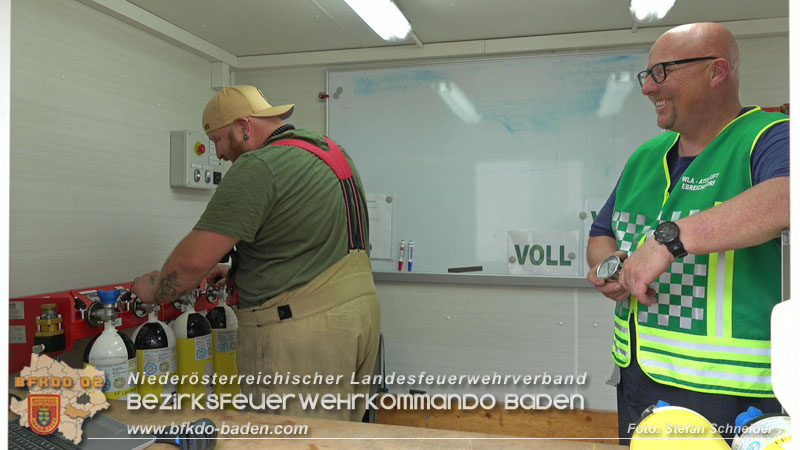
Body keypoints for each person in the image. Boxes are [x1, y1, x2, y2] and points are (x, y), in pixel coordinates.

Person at [586, 23, 789, 444]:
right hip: (638, 380)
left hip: (731, 394)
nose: (648, 88)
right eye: (648, 75)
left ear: (717, 71)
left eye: (663, 72)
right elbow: (602, 233)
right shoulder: (645, 156)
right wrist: (609, 266)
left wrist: (668, 240)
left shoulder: (771, 137)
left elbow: (788, 197)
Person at [132, 85, 381, 422]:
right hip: (358, 319)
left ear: (243, 126)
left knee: (288, 439)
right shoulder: (330, 152)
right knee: (336, 435)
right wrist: (238, 272)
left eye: (218, 140)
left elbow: (190, 265)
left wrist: (154, 290)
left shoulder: (259, 165)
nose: (219, 154)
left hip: (302, 334)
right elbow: (308, 240)